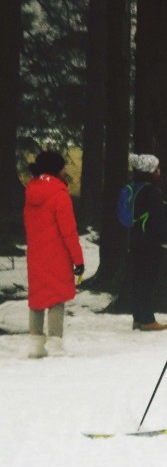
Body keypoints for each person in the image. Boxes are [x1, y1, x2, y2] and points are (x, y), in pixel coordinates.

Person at [23, 151, 84, 358]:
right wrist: (78, 259)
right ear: (56, 169)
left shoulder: (31, 192)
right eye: (63, 166)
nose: (66, 170)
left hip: (36, 253)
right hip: (57, 254)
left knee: (37, 297)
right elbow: (69, 231)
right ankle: (56, 342)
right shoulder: (60, 194)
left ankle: (35, 343)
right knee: (57, 297)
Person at [127, 153, 167, 331]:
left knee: (138, 279)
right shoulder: (152, 192)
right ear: (150, 171)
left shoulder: (136, 188)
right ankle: (147, 319)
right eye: (157, 168)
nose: (159, 171)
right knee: (148, 280)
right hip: (151, 243)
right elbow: (158, 219)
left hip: (136, 241)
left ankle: (138, 317)